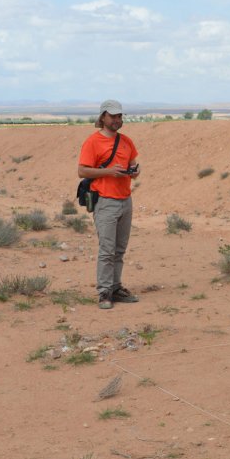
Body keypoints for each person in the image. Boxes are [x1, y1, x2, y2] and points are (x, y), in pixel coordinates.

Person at [77, 99, 141, 310]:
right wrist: (108, 172)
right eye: (113, 116)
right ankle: (104, 292)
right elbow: (83, 171)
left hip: (125, 199)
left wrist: (134, 171)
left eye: (119, 116)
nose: (117, 120)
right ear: (103, 117)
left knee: (119, 249)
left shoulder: (126, 141)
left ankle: (115, 288)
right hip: (105, 201)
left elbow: (133, 164)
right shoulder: (92, 142)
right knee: (107, 249)